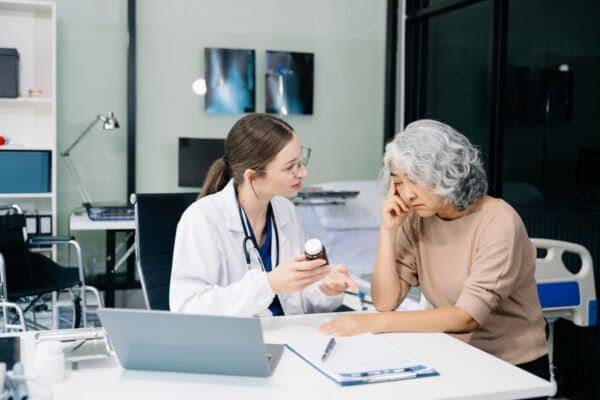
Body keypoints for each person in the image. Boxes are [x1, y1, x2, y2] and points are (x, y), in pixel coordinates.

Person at [320, 119, 549, 382]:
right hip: (451, 355)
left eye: (417, 180)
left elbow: (466, 317)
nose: (407, 195)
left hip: (510, 366)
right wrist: (388, 231)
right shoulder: (417, 219)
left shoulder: (498, 220)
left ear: (449, 173)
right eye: (399, 182)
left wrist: (372, 323)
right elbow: (385, 302)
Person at [170, 113, 356, 317]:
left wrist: (324, 288)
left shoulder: (286, 212)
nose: (303, 173)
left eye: (300, 161)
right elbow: (188, 307)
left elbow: (300, 298)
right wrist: (268, 285)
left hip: (289, 335)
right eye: (290, 167)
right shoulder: (203, 219)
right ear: (252, 177)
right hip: (236, 341)